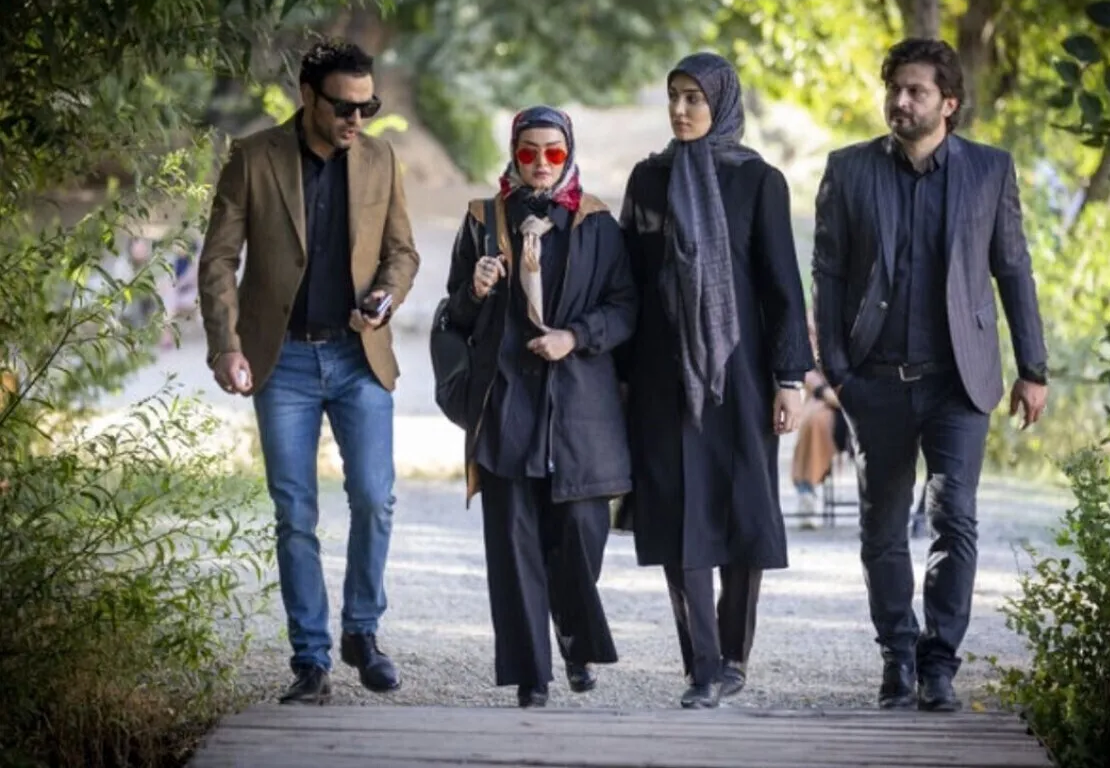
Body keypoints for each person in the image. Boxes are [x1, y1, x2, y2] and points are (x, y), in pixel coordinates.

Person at [811, 37, 1049, 712]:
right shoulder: (849, 170)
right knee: (882, 528)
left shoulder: (989, 170)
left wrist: (1032, 368)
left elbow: (1013, 270)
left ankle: (940, 663)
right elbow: (827, 272)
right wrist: (838, 369)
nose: (900, 101)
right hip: (875, 379)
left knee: (955, 519)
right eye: (894, 89)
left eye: (915, 90)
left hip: (959, 382)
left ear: (948, 102)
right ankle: (898, 654)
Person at [198, 39, 420, 705]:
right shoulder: (253, 157)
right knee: (295, 512)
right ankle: (311, 661)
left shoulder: (381, 159)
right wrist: (226, 345)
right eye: (344, 107)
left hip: (359, 356)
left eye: (367, 107)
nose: (356, 119)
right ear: (307, 95)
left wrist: (386, 296)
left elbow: (402, 253)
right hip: (284, 360)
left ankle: (362, 632)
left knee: (375, 498)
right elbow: (219, 260)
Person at [618, 52, 814, 709]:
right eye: (673, 96)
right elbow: (628, 284)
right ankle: (701, 666)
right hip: (661, 375)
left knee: (744, 511)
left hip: (743, 376)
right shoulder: (648, 180)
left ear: (722, 103)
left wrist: (791, 379)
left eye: (694, 98)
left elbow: (783, 288)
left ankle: (734, 656)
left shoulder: (758, 181)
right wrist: (619, 378)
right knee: (677, 514)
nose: (680, 110)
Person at [441, 105, 635, 708]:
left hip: (579, 409)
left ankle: (574, 639)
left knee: (580, 532)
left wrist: (574, 337)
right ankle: (532, 677)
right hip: (506, 404)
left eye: (554, 152)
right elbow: (454, 314)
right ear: (514, 153)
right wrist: (475, 290)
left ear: (569, 152)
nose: (542, 163)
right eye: (529, 152)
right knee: (513, 541)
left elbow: (626, 307)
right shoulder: (482, 220)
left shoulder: (597, 222)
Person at [790, 317, 849, 528]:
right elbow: (809, 377)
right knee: (815, 419)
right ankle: (806, 490)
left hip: (856, 398)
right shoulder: (807, 334)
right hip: (827, 403)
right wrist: (828, 394)